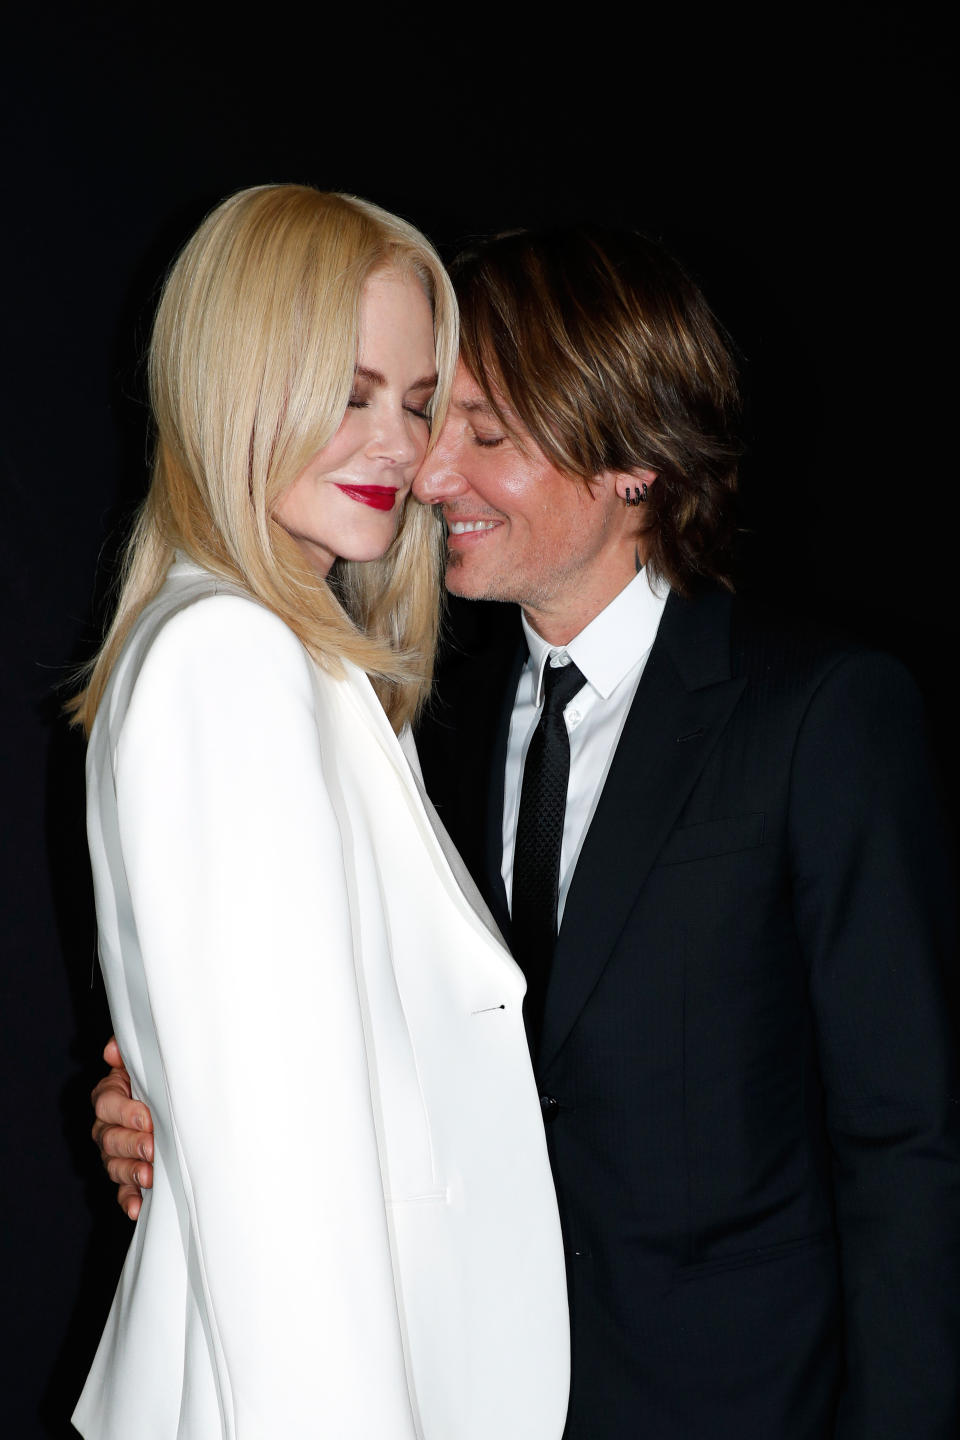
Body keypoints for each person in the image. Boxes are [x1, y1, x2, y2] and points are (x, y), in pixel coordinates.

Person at [92, 225, 960, 1438]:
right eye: (434, 418)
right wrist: (182, 1116)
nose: (430, 472)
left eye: (483, 434)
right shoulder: (405, 725)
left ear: (634, 463)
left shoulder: (822, 717)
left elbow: (907, 1150)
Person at [71, 185, 569, 1440]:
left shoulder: (285, 653)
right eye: (349, 393)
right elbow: (281, 1181)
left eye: (414, 401)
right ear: (237, 380)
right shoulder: (229, 659)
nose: (400, 449)